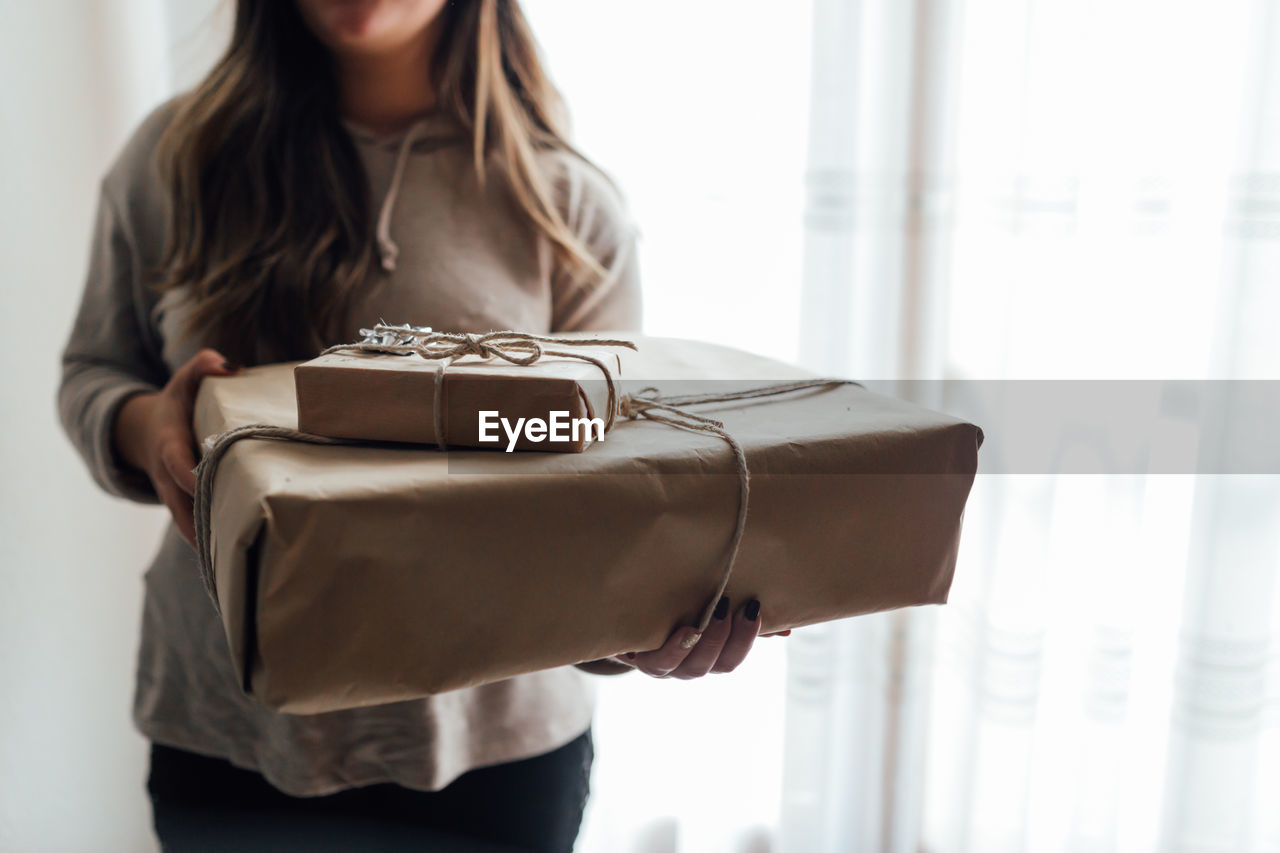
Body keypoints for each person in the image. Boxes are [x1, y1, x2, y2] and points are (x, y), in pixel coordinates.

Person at [58, 1, 773, 851]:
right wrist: (151, 428)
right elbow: (94, 372)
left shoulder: (565, 204)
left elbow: (602, 489)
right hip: (228, 729)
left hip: (492, 753)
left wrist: (634, 635)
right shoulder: (177, 159)